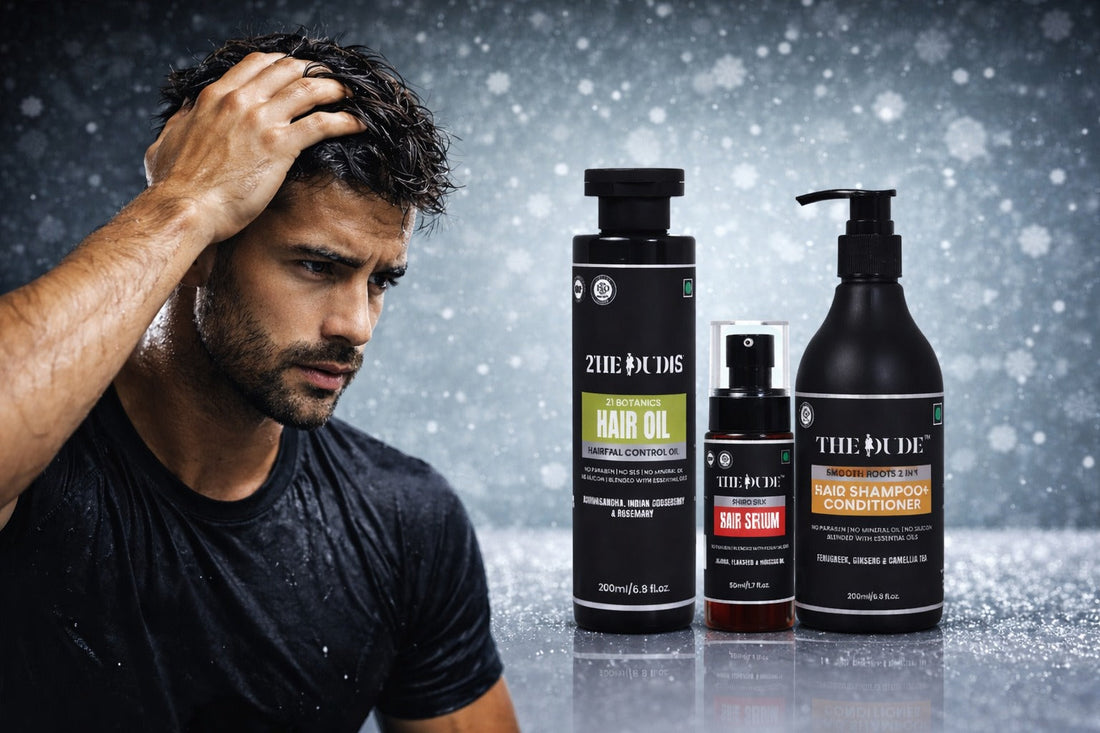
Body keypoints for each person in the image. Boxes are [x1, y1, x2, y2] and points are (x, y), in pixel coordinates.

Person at [0, 32, 519, 732]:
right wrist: (181, 201)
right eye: (317, 266)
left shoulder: (407, 523)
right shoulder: (38, 473)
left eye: (380, 280)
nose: (356, 324)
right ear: (204, 248)